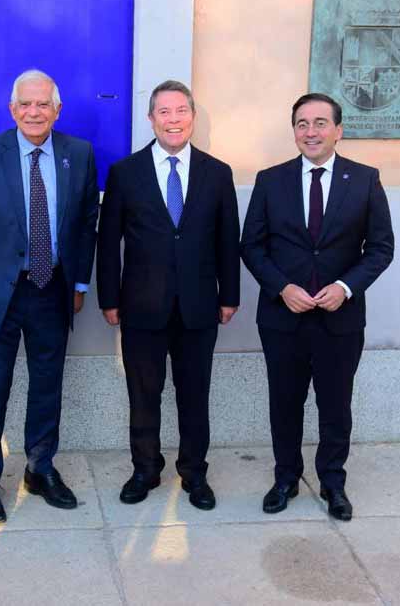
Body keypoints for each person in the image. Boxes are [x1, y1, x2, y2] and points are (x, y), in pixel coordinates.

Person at [0, 69, 99, 524]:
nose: (34, 112)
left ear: (57, 110)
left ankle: (39, 469)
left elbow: (86, 223)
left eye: (43, 104)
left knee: (47, 386)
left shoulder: (79, 153)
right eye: (25, 105)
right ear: (12, 109)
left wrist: (78, 284)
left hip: (52, 290)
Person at [240, 92, 393, 521]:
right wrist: (281, 287)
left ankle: (333, 483)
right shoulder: (271, 181)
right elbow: (251, 245)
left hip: (339, 320)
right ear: (294, 132)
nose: (311, 131)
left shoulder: (364, 180)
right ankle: (285, 478)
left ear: (338, 131)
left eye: (320, 123)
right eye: (302, 124)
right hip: (282, 318)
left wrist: (346, 287)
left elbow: (381, 248)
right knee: (284, 403)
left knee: (335, 404)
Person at [97, 80, 240, 510]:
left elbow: (227, 240)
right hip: (142, 307)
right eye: (164, 112)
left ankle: (195, 472)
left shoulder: (218, 173)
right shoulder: (125, 173)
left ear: (192, 117)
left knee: (194, 394)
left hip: (199, 307)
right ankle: (146, 468)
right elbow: (108, 242)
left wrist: (228, 294)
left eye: (181, 111)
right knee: (144, 393)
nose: (173, 120)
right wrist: (109, 298)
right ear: (151, 118)